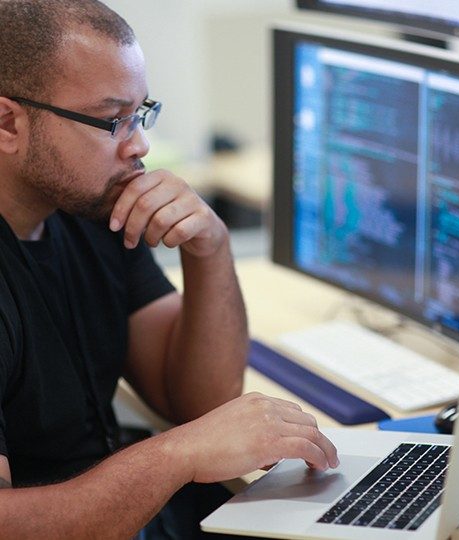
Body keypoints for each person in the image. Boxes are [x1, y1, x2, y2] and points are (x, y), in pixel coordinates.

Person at [0, 0, 339, 538]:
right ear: (8, 124)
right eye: (113, 120)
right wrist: (178, 455)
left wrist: (209, 247)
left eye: (141, 113)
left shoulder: (90, 205)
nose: (140, 144)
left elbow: (197, 399)